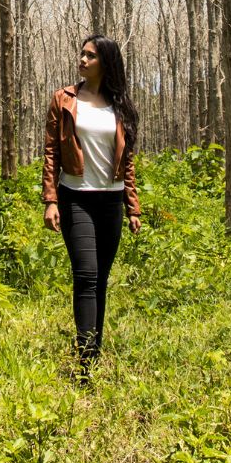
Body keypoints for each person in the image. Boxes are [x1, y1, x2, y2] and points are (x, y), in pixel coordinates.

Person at [41, 34, 142, 375]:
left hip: (111, 201)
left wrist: (133, 207)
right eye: (81, 54)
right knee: (85, 275)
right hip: (76, 197)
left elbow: (127, 161)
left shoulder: (121, 105)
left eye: (90, 56)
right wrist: (51, 200)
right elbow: (52, 152)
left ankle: (94, 352)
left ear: (106, 62)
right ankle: (85, 361)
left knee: (101, 279)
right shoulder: (64, 99)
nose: (82, 60)